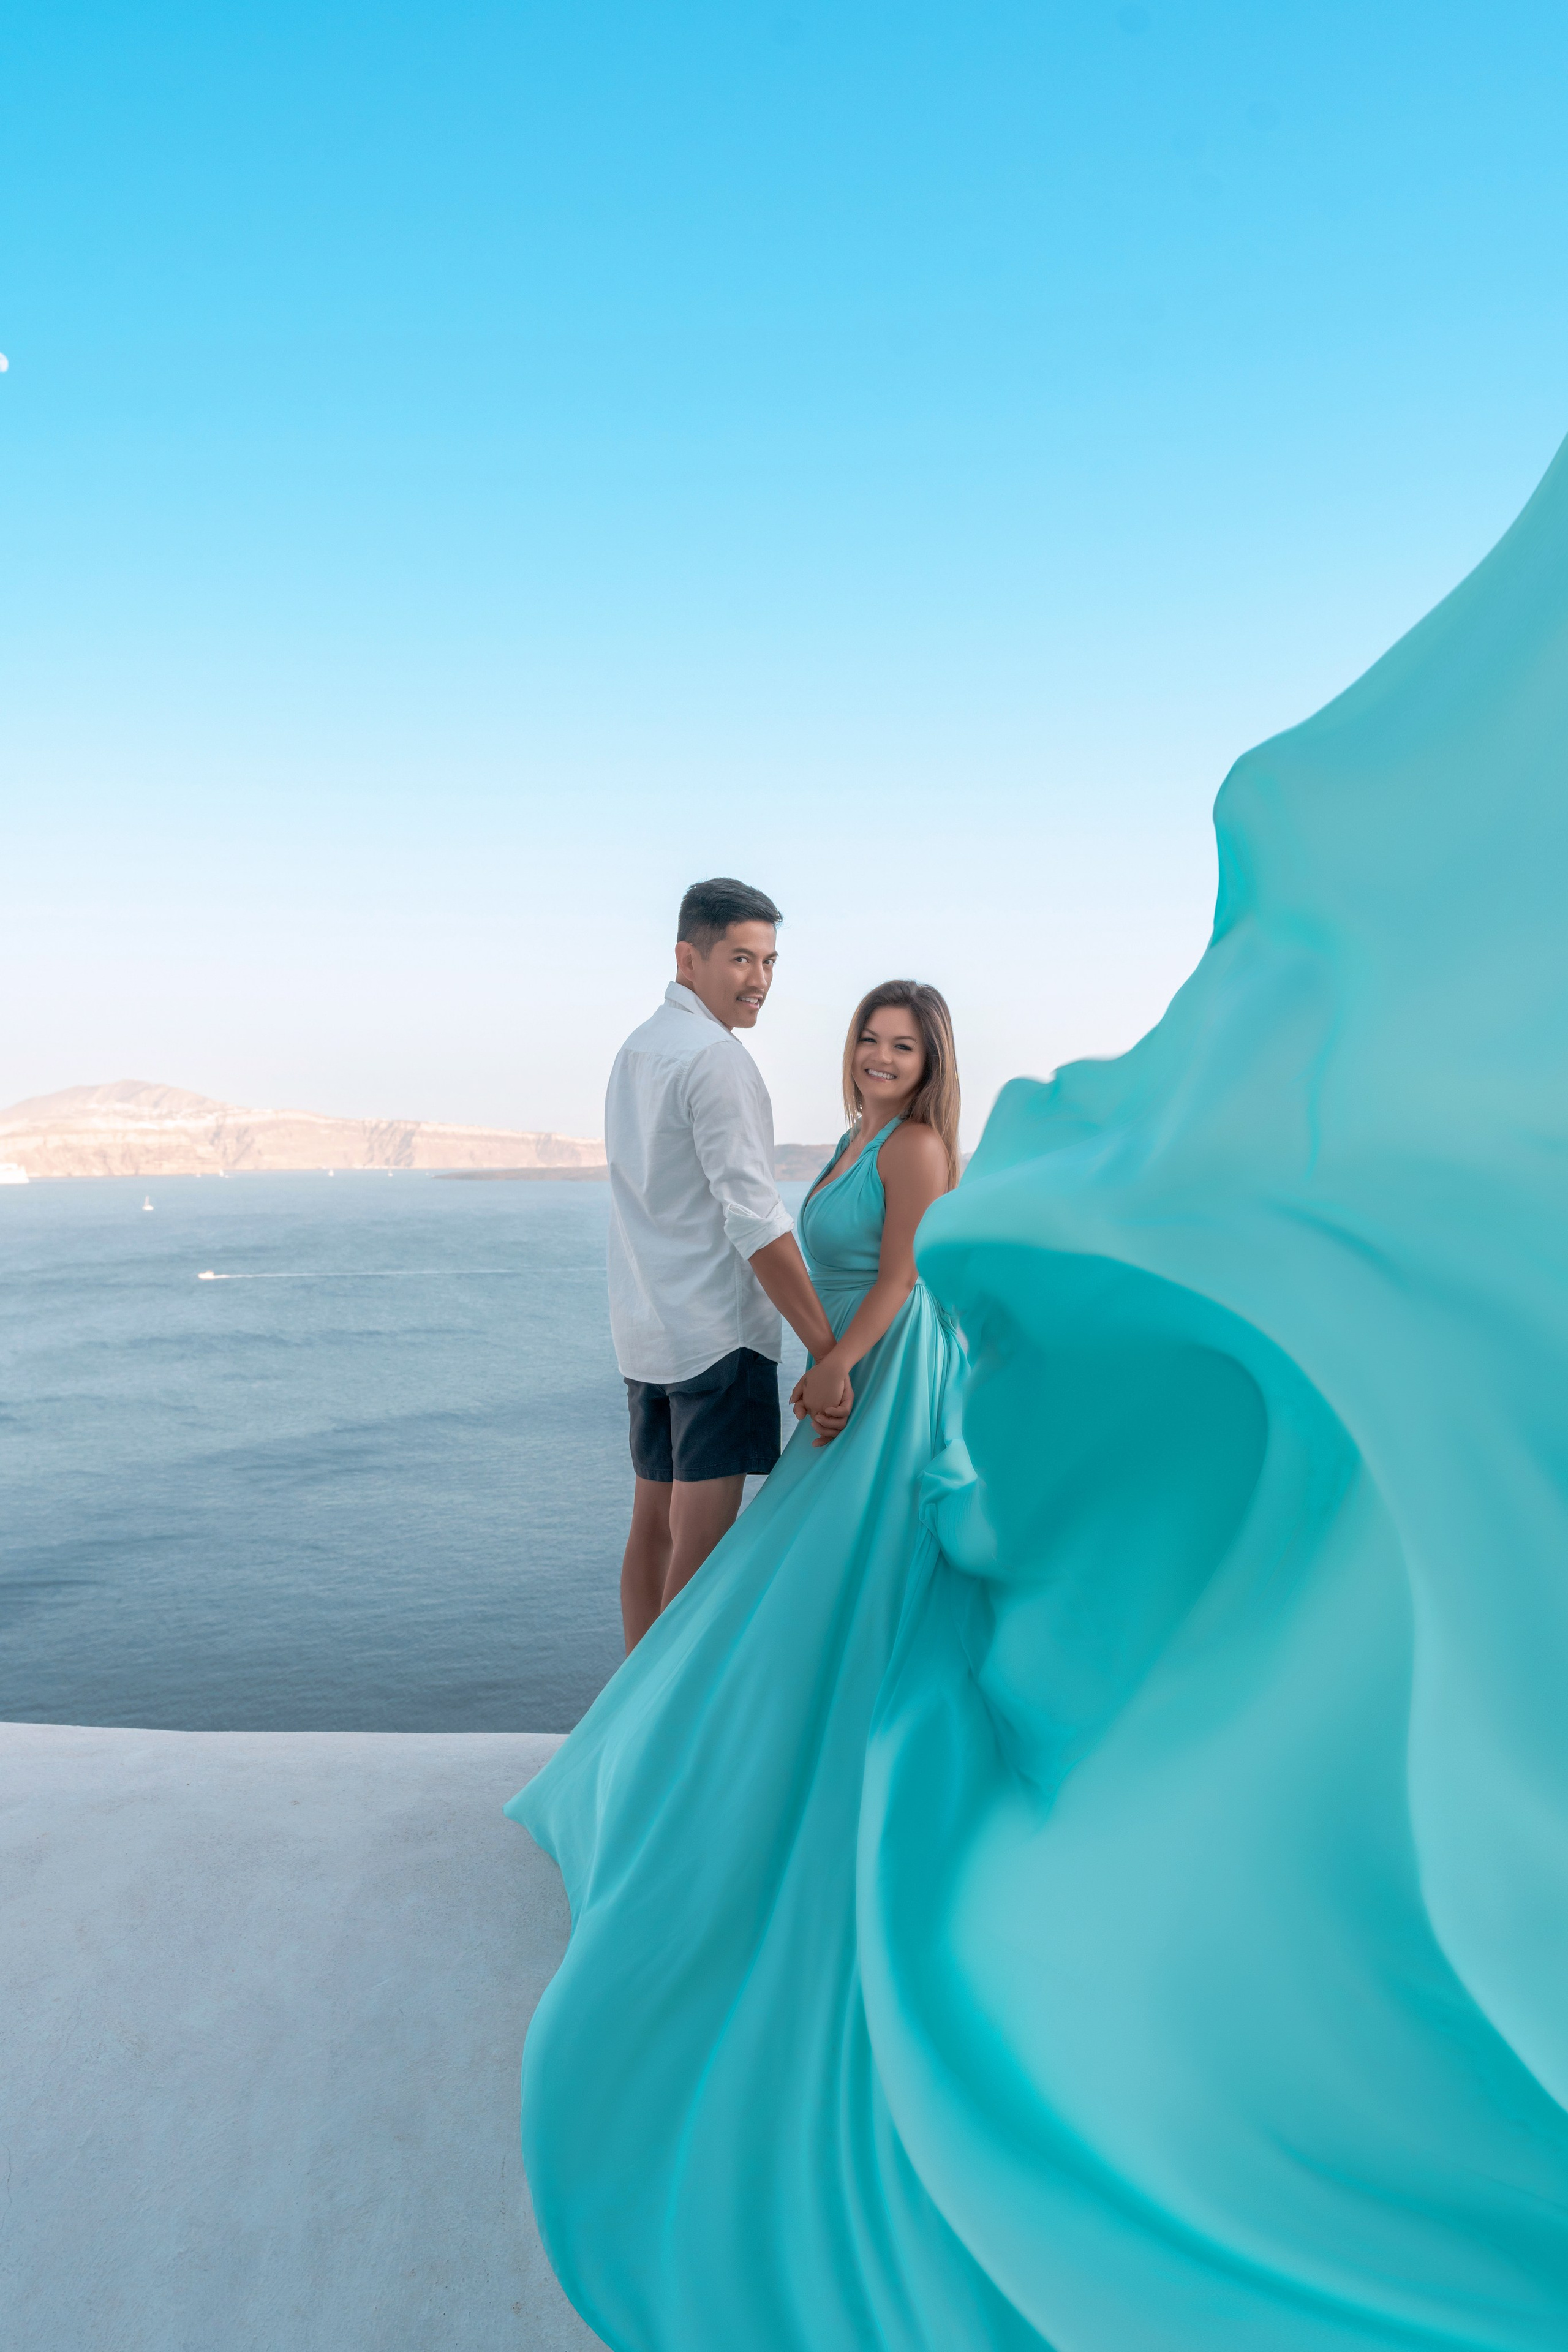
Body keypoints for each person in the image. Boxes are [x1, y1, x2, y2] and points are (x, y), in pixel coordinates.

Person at [505, 978, 970, 2351]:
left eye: (903, 1047)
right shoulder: (841, 1136)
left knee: (804, 1583)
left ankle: (811, 1760)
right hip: (831, 1369)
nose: (880, 1059)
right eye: (872, 1041)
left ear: (930, 1064)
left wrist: (831, 1368)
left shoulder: (921, 1150)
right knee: (772, 1589)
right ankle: (693, 1743)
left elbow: (895, 1278)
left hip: (873, 1380)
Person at [605, 876, 848, 1650]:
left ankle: (627, 1729)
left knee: (652, 1532)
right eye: (741, 960)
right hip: (715, 1337)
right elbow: (755, 1218)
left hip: (646, 1335)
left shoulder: (636, 1050)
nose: (759, 982)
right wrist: (825, 1344)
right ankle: (665, 1738)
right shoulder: (716, 1060)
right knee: (702, 1560)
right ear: (687, 958)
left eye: (770, 962)